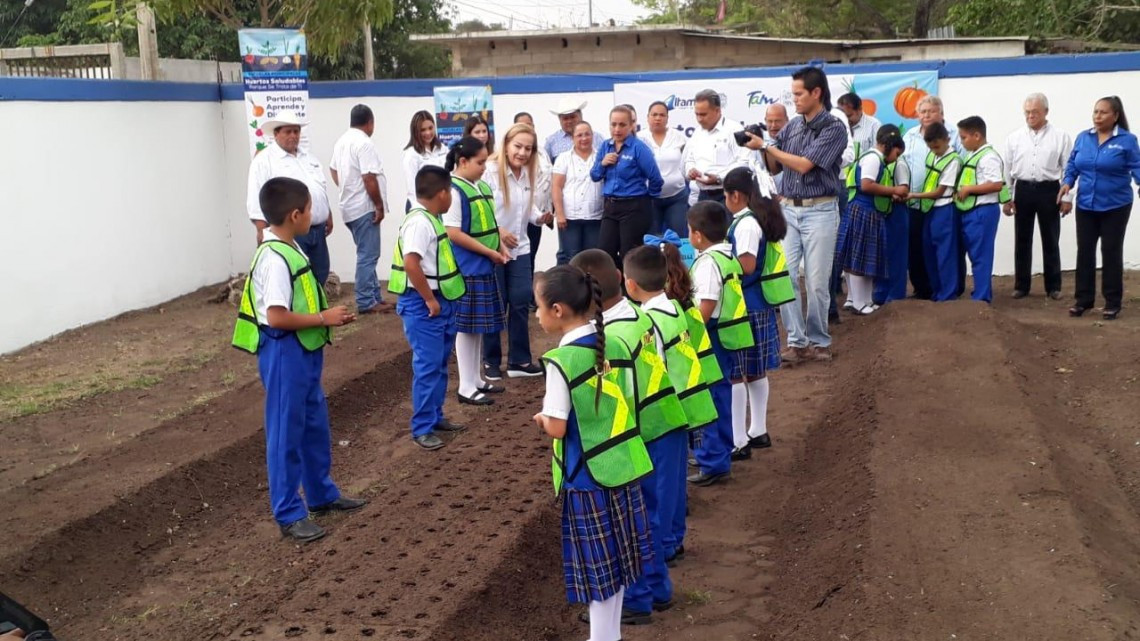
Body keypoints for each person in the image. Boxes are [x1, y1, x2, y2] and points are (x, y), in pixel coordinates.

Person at [231, 177, 366, 543]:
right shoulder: (274, 259)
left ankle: (321, 495)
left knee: (313, 424)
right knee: (286, 432)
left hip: (303, 352)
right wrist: (324, 318)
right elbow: (276, 316)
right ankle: (289, 512)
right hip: (283, 352)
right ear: (295, 215)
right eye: (310, 209)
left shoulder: (290, 247)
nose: (314, 215)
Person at [533, 265, 654, 641]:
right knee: (618, 566)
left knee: (599, 574)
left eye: (538, 307)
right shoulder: (614, 344)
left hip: (587, 481)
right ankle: (610, 636)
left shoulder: (561, 361)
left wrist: (541, 419)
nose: (535, 314)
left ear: (557, 310)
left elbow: (557, 427)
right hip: (623, 467)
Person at [570, 249, 686, 624]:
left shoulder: (609, 338)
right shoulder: (640, 315)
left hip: (640, 432)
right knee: (651, 511)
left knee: (635, 518)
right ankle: (657, 589)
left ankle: (638, 597)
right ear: (620, 278)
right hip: (663, 419)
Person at [749, 66, 848, 364]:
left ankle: (818, 340)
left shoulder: (833, 127)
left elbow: (805, 165)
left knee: (817, 281)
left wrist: (766, 146)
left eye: (798, 93)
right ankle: (796, 341)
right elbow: (775, 167)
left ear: (816, 93)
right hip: (789, 208)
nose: (794, 99)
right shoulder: (792, 126)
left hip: (821, 209)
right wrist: (762, 146)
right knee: (786, 276)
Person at [389, 166, 469, 450]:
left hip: (438, 301)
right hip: (424, 303)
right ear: (443, 193)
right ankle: (422, 427)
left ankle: (435, 417)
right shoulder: (420, 223)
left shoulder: (431, 219)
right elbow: (411, 263)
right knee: (427, 366)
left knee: (438, 364)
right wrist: (429, 299)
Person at [722, 167, 792, 460]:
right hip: (757, 303)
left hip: (745, 306)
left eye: (725, 195)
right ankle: (757, 430)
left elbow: (747, 266)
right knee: (753, 369)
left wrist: (718, 263)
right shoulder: (754, 220)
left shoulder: (746, 225)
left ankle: (739, 440)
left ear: (736, 196)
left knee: (736, 373)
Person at [687, 201, 756, 486]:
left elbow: (706, 305)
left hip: (710, 336)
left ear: (698, 235)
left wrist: (688, 336)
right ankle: (719, 452)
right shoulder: (727, 256)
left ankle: (713, 460)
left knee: (709, 398)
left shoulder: (707, 263)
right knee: (720, 393)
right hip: (726, 334)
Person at [1061, 96, 1140, 320]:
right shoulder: (1083, 138)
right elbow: (1072, 164)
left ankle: (1112, 302)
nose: (1097, 116)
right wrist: (1067, 183)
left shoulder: (1127, 140)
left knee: (1111, 251)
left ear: (1115, 116)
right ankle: (1083, 300)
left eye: (1103, 112)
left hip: (1116, 205)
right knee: (1085, 251)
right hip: (1086, 204)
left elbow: (1137, 166)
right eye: (1095, 111)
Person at [483, 123, 552, 379]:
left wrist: (540, 217)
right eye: (518, 146)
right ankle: (490, 361)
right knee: (496, 303)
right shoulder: (489, 171)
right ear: (506, 145)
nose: (522, 153)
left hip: (521, 247)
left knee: (521, 301)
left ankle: (519, 361)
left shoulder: (527, 173)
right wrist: (498, 231)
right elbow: (481, 210)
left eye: (528, 149)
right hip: (493, 248)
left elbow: (528, 208)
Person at [444, 137, 509, 407]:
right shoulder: (453, 190)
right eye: (480, 162)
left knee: (477, 327)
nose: (484, 167)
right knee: (466, 328)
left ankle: (476, 378)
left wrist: (499, 246)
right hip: (468, 267)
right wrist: (488, 252)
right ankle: (466, 385)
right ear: (463, 162)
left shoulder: (480, 186)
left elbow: (491, 223)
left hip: (484, 265)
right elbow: (453, 233)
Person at [246, 112, 334, 285]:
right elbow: (256, 198)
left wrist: (327, 214)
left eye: (296, 131)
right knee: (295, 277)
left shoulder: (309, 158)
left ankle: (317, 303)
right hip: (290, 231)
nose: (293, 136)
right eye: (288, 132)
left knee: (320, 274)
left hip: (317, 231)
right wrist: (261, 230)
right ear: (276, 133)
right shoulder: (264, 161)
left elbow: (319, 188)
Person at [1004, 93, 1073, 300]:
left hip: (1049, 190)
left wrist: (1067, 198)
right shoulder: (1014, 138)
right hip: (1023, 190)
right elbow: (1007, 169)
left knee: (1050, 238)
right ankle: (1021, 286)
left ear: (1046, 112)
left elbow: (1069, 168)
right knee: (1022, 239)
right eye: (1027, 112)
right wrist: (1007, 197)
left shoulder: (1060, 137)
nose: (1030, 116)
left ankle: (1053, 287)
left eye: (1035, 112)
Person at [837, 128, 908, 313]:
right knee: (859, 257)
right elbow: (866, 185)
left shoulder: (871, 157)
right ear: (889, 146)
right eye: (897, 153)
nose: (895, 158)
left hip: (864, 210)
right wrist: (894, 190)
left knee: (861, 257)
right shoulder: (874, 159)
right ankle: (858, 303)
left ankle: (860, 300)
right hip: (864, 211)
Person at [330, 104, 392, 315]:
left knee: (367, 252)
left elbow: (333, 169)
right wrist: (378, 205)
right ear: (370, 122)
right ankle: (366, 300)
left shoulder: (341, 141)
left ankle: (374, 296)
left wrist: (346, 187)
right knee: (368, 255)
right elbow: (368, 177)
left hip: (349, 207)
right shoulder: (364, 143)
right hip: (364, 207)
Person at [901, 95, 965, 299]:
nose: (926, 115)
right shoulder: (910, 135)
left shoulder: (955, 134)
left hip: (944, 203)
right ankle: (924, 289)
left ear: (941, 113)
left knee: (948, 248)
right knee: (919, 247)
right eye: (923, 111)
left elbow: (962, 163)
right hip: (916, 204)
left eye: (931, 111)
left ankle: (952, 289)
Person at [591, 105, 664, 267]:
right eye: (613, 124)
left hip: (633, 207)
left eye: (622, 125)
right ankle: (612, 283)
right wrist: (603, 164)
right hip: (610, 206)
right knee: (604, 252)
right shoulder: (605, 146)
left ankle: (630, 284)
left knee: (629, 254)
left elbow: (656, 179)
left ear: (631, 126)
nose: (617, 129)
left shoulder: (639, 148)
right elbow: (594, 176)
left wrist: (646, 199)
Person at [954, 116, 1010, 304]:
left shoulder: (988, 157)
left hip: (982, 211)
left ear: (976, 135)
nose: (962, 141)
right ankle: (980, 291)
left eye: (964, 137)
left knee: (981, 255)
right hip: (971, 211)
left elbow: (996, 184)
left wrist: (969, 189)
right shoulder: (973, 154)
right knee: (975, 253)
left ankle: (982, 296)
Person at [682, 89, 749, 204]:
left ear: (717, 110)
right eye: (697, 114)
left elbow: (745, 163)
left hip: (728, 194)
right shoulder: (697, 133)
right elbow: (689, 159)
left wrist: (719, 178)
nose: (699, 119)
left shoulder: (734, 130)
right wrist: (691, 170)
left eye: (703, 114)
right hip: (703, 195)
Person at [515, 111, 554, 305]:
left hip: (538, 214)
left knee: (531, 255)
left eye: (530, 124)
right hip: (519, 216)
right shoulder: (517, 158)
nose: (528, 128)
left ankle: (529, 295)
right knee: (522, 256)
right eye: (522, 125)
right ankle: (524, 296)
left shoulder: (542, 152)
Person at [871, 124, 912, 306]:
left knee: (896, 254)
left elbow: (903, 190)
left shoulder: (899, 164)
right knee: (883, 254)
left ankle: (895, 294)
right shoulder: (879, 161)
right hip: (883, 212)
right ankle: (881, 292)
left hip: (896, 212)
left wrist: (892, 193)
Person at [552, 121, 604, 265]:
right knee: (571, 258)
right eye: (579, 135)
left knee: (592, 258)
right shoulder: (564, 158)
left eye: (587, 134)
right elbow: (556, 187)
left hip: (595, 217)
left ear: (592, 136)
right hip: (570, 218)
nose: (584, 138)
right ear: (573, 138)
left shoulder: (600, 157)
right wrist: (560, 214)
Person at [639, 101, 690, 235]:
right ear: (647, 117)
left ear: (667, 118)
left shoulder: (679, 137)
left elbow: (689, 160)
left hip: (677, 197)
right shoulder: (639, 139)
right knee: (651, 240)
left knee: (678, 239)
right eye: (654, 115)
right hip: (648, 199)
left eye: (662, 115)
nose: (658, 118)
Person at [402, 111, 448, 212]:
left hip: (439, 205)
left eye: (430, 128)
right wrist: (421, 210)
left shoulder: (443, 149)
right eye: (423, 130)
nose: (428, 133)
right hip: (420, 207)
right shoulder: (411, 154)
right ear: (415, 132)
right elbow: (412, 188)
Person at [546, 97, 605, 162]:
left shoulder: (597, 138)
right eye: (565, 118)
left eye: (573, 117)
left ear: (581, 115)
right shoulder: (551, 141)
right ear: (560, 120)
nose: (569, 121)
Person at [764, 104, 791, 194]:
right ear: (765, 121)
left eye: (777, 121)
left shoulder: (796, 140)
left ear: (787, 120)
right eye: (770, 121)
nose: (773, 125)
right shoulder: (756, 142)